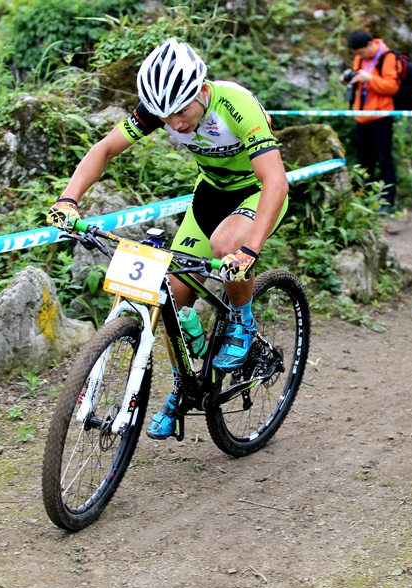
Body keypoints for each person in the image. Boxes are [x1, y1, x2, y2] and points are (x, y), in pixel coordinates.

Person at [46, 38, 289, 440]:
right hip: (211, 192)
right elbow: (105, 149)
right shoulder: (160, 110)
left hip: (257, 191)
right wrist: (69, 200)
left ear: (201, 89)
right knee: (172, 299)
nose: (174, 123)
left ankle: (243, 321)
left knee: (227, 246)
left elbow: (275, 180)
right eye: (165, 115)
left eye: (182, 111)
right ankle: (184, 387)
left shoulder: (236, 106)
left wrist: (249, 251)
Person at [343, 29, 400, 214]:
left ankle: (388, 202)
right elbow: (358, 77)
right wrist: (349, 77)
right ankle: (363, 198)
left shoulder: (387, 57)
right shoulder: (361, 58)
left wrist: (371, 79)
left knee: (384, 158)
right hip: (362, 114)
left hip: (382, 115)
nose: (359, 57)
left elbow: (392, 87)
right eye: (356, 55)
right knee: (363, 159)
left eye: (360, 53)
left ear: (370, 45)